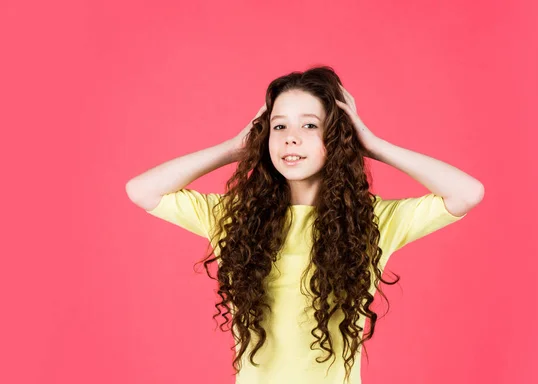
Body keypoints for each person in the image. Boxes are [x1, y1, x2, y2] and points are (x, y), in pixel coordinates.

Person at [125, 66, 484, 384]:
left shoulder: (372, 221)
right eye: (278, 125)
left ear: (336, 137)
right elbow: (142, 190)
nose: (290, 137)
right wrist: (235, 148)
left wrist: (373, 145)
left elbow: (466, 193)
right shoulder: (233, 218)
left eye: (309, 125)